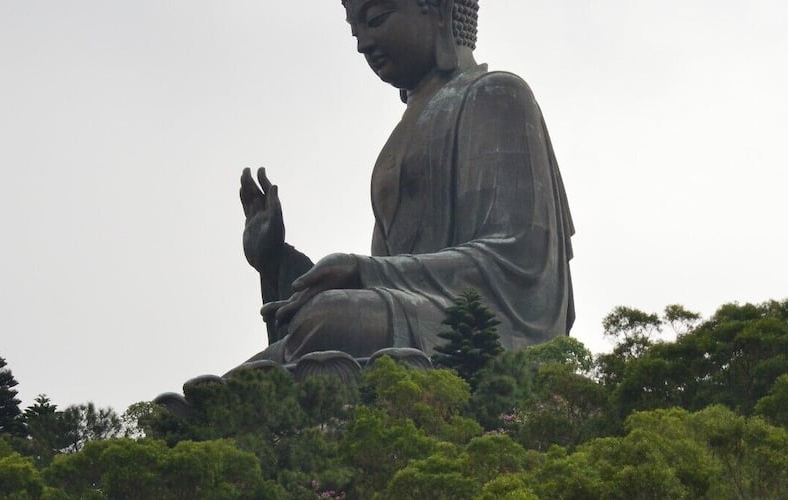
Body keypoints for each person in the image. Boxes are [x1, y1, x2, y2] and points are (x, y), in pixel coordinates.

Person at [237, 0, 574, 366]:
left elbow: (516, 264)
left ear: (439, 11)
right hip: (417, 311)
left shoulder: (498, 95)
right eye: (355, 32)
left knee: (327, 319)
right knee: (312, 322)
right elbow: (386, 278)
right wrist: (276, 262)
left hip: (488, 324)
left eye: (376, 20)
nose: (363, 44)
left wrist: (363, 271)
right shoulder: (399, 140)